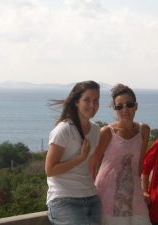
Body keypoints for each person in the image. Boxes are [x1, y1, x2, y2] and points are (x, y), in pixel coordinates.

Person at [90, 83, 152, 225]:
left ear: (136, 106)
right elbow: (93, 165)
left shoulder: (144, 130)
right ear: (115, 109)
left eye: (129, 104)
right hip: (109, 194)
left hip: (134, 192)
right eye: (119, 106)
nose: (125, 109)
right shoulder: (107, 132)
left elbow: (139, 164)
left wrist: (143, 190)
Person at [45, 80, 102, 225]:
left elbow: (92, 167)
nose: (92, 105)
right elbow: (50, 170)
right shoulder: (64, 130)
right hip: (64, 200)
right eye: (87, 100)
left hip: (91, 197)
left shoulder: (95, 130)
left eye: (96, 101)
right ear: (76, 102)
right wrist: (81, 157)